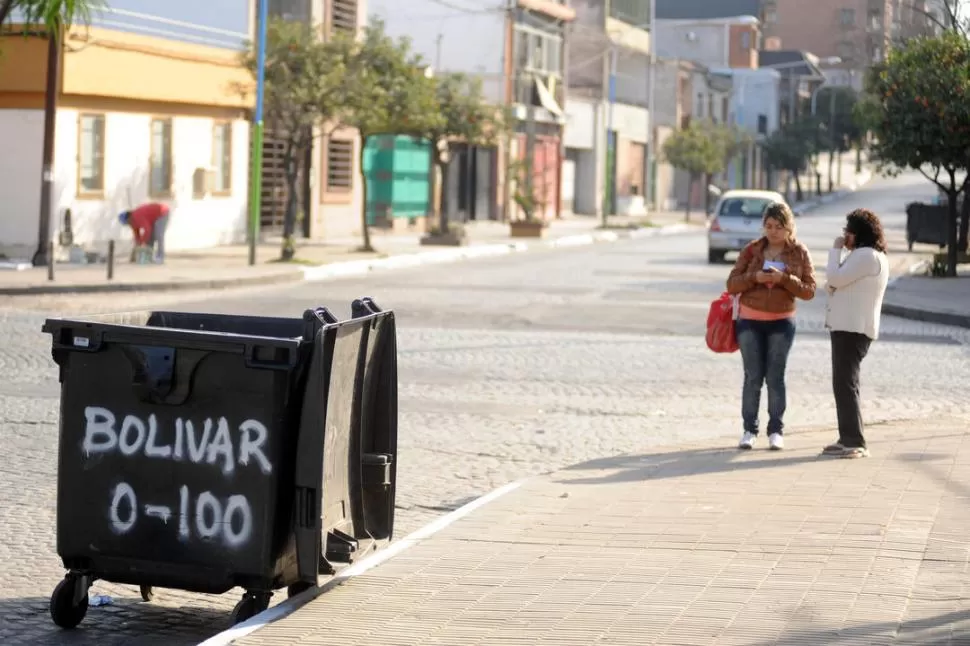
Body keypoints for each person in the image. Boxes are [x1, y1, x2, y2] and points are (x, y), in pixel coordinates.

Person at [726, 202, 816, 451]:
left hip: (781, 322)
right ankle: (749, 430)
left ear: (788, 228)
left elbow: (809, 291)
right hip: (749, 321)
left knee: (775, 377)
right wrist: (754, 277)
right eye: (768, 226)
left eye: (778, 226)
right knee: (752, 377)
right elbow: (731, 284)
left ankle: (776, 430)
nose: (773, 231)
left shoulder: (799, 252)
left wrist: (785, 279)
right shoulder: (752, 250)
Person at [822, 208, 890, 459]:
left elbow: (833, 279)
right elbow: (833, 282)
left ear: (859, 233)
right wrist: (835, 279)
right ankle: (846, 437)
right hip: (848, 326)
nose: (844, 237)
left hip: (852, 328)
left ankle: (855, 441)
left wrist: (835, 250)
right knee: (843, 383)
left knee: (846, 384)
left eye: (848, 232)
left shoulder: (865, 256)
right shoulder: (868, 256)